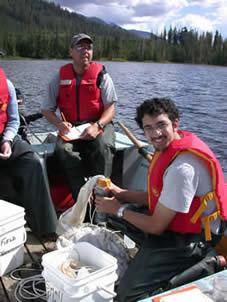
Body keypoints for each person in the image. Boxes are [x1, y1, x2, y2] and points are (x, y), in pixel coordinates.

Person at [95, 97, 227, 301]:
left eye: (161, 125)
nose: (155, 134)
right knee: (116, 216)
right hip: (173, 220)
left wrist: (118, 209)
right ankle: (153, 258)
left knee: (126, 296)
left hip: (193, 239)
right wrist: (121, 193)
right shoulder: (168, 148)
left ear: (175, 123)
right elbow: (159, 197)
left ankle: (207, 264)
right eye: (148, 128)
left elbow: (156, 226)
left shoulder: (182, 169)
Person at [41, 33, 117, 202]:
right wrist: (60, 124)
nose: (85, 50)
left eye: (88, 47)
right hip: (72, 127)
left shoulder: (102, 76)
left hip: (100, 123)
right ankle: (82, 199)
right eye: (80, 47)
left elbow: (110, 108)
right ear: (71, 52)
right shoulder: (59, 77)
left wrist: (98, 125)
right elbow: (46, 109)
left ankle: (102, 205)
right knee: (63, 151)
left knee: (102, 147)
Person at [0, 67, 57, 237]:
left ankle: (45, 229)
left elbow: (13, 120)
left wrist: (7, 140)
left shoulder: (7, 85)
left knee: (33, 162)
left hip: (3, 137)